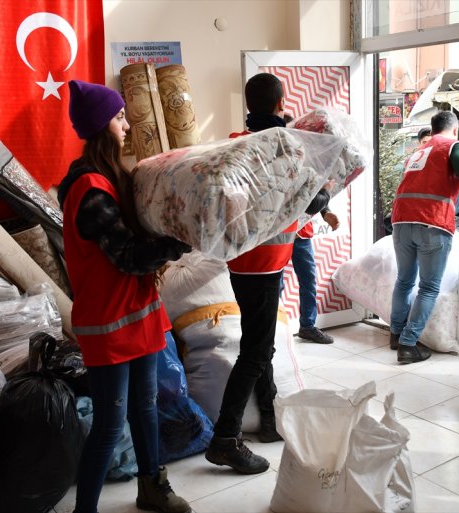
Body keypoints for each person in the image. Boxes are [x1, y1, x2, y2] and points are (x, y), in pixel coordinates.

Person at [58, 80, 192, 513]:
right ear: (101, 126)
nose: (126, 126)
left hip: (138, 315)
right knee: (111, 426)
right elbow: (130, 258)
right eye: (119, 118)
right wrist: (180, 240)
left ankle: (152, 487)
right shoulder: (90, 191)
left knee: (146, 409)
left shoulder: (114, 178)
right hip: (110, 327)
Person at [205, 73, 331, 473]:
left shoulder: (236, 142)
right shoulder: (288, 146)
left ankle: (271, 418)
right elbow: (312, 198)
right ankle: (226, 438)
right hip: (267, 262)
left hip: (242, 260)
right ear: (281, 104)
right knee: (257, 348)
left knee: (260, 339)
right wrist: (324, 192)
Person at [389, 110, 459, 363]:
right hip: (431, 222)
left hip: (401, 221)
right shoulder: (452, 145)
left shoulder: (420, 150)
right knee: (428, 287)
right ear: (455, 128)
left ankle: (396, 334)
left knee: (404, 281)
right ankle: (408, 344)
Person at [292, 203, 340, 344]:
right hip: (278, 234)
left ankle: (307, 327)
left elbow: (316, 193)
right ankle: (273, 332)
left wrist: (325, 211)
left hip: (302, 236)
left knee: (309, 282)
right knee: (275, 286)